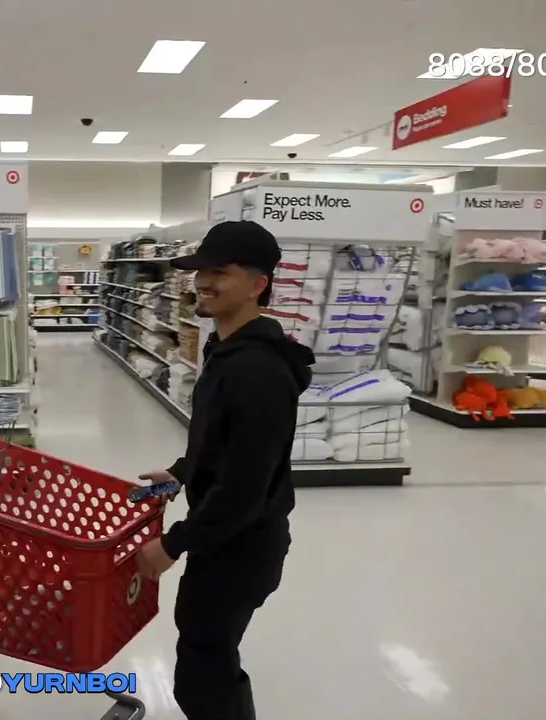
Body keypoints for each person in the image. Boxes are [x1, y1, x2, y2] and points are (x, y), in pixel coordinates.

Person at [134, 221, 313, 720]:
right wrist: (182, 472)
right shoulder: (226, 349)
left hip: (242, 545)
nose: (204, 283)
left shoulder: (259, 372)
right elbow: (222, 442)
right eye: (201, 272)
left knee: (204, 667)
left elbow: (243, 490)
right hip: (224, 538)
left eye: (220, 273)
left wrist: (172, 544)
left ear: (259, 285)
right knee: (205, 653)